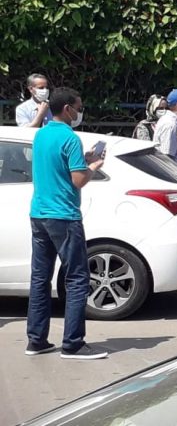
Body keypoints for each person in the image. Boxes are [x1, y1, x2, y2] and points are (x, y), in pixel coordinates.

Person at [26, 87, 108, 359]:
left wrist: (82, 161)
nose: (79, 112)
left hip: (39, 213)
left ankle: (36, 340)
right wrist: (93, 166)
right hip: (64, 215)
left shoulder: (41, 135)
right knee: (77, 278)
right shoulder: (70, 138)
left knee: (40, 278)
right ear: (67, 109)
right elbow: (78, 180)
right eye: (78, 107)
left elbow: (57, 167)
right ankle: (73, 343)